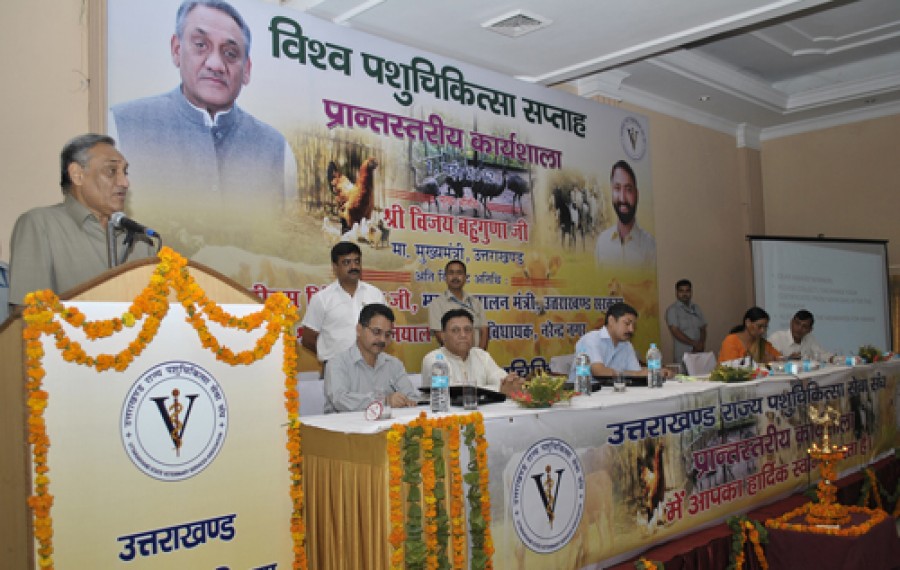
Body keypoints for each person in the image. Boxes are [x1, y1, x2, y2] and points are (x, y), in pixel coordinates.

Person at [109, 0, 297, 215]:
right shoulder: (120, 126)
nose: (215, 64)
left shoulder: (277, 149)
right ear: (176, 50)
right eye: (200, 45)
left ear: (246, 70)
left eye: (230, 53)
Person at [8, 134, 156, 306]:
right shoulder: (40, 224)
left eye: (125, 172)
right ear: (77, 175)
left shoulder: (140, 239)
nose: (125, 182)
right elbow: (27, 313)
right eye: (111, 171)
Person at [300, 241, 385, 369]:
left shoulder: (375, 295)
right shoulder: (322, 298)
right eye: (346, 262)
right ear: (335, 267)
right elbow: (307, 339)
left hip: (371, 367)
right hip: (336, 370)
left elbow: (385, 331)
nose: (353, 266)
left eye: (357, 261)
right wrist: (330, 358)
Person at [323, 303, 420, 413]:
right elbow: (339, 400)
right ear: (359, 330)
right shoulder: (338, 363)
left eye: (387, 335)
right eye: (376, 332)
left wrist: (408, 402)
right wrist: (384, 401)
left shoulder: (394, 364)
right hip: (345, 423)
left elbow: (411, 397)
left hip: (388, 423)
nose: (382, 340)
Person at [421, 309, 524, 396]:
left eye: (467, 330)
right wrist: (499, 390)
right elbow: (451, 392)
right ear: (443, 336)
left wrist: (511, 383)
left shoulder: (481, 355)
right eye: (455, 330)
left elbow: (502, 381)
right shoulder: (434, 359)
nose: (463, 335)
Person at [572, 302, 674, 380]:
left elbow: (636, 371)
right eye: (627, 324)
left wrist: (656, 372)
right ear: (611, 321)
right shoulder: (591, 339)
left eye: (633, 325)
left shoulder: (626, 345)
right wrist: (636, 374)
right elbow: (599, 372)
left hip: (613, 393)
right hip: (584, 393)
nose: (631, 330)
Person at [594, 160, 656, 266]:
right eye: (617, 188)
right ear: (612, 192)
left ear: (637, 194)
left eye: (628, 189)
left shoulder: (650, 247)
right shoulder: (602, 243)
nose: (622, 198)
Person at [428, 260, 489, 350]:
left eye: (459, 273)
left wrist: (479, 354)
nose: (455, 277)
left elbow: (484, 331)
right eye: (451, 273)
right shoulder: (437, 304)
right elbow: (439, 335)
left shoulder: (475, 302)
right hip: (451, 356)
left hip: (475, 355)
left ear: (465, 277)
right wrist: (459, 354)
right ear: (445, 277)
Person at [665, 279, 707, 368]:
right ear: (676, 292)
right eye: (681, 291)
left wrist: (701, 344)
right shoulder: (672, 310)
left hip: (699, 353)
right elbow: (675, 331)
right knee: (683, 376)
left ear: (691, 292)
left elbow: (703, 328)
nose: (685, 294)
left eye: (687, 291)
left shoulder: (696, 308)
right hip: (683, 354)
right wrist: (694, 344)